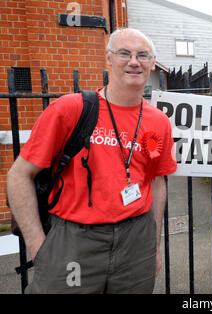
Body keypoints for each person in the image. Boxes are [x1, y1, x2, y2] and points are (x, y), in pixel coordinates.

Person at [6, 28, 177, 293]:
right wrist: (40, 248)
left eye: (142, 55)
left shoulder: (159, 122)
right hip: (74, 240)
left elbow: (156, 182)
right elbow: (19, 175)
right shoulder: (70, 109)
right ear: (108, 59)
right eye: (125, 53)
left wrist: (153, 248)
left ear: (152, 62)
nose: (134, 61)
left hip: (136, 241)